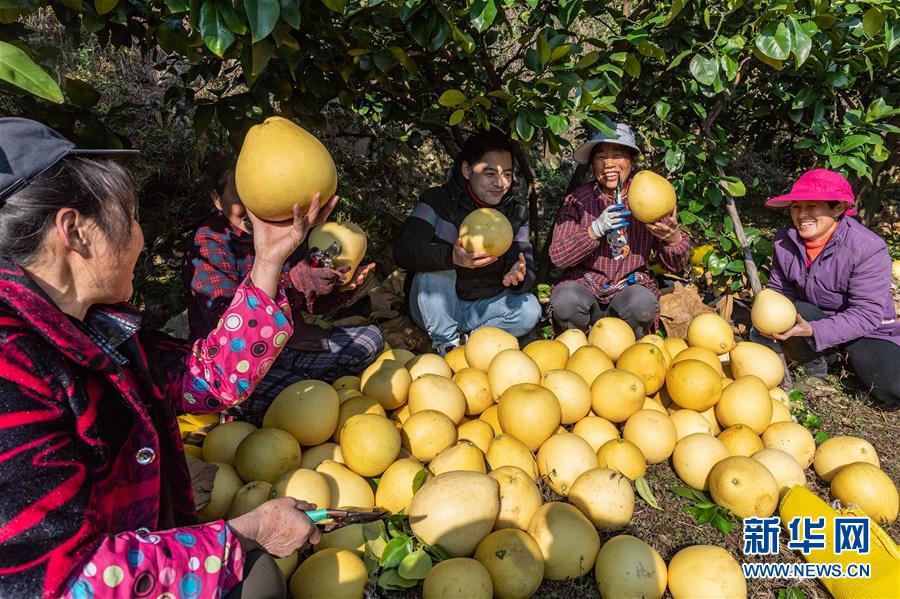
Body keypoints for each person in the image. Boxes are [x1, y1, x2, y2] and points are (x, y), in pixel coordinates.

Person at [0, 117, 323, 599]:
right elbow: (66, 581)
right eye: (129, 218)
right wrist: (245, 533)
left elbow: (209, 378)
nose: (142, 237)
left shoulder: (93, 325)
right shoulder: (12, 370)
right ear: (75, 231)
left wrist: (268, 262)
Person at [183, 157, 383, 424]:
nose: (252, 208)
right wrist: (295, 280)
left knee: (370, 339)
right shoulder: (210, 241)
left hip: (294, 347)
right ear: (217, 200)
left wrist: (340, 288)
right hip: (240, 367)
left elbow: (312, 303)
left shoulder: (284, 227)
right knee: (300, 398)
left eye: (256, 196)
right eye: (240, 196)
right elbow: (226, 319)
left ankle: (290, 398)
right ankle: (253, 405)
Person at [760, 169, 900, 406]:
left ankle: (845, 356)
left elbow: (866, 315)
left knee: (893, 387)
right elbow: (779, 292)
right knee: (793, 309)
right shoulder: (784, 241)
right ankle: (822, 359)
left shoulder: (867, 249)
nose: (801, 214)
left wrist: (814, 331)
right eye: (795, 207)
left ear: (837, 209)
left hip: (867, 330)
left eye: (812, 206)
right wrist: (766, 320)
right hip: (813, 317)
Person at [394, 130, 541, 354]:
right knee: (435, 270)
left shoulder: (515, 214)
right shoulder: (436, 202)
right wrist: (451, 258)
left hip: (483, 308)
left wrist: (518, 275)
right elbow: (404, 251)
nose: (500, 183)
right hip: (434, 307)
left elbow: (526, 265)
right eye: (490, 173)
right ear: (466, 170)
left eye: (508, 175)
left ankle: (469, 342)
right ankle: (448, 346)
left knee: (529, 309)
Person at [549, 123, 690, 337]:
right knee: (565, 303)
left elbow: (675, 265)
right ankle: (576, 345)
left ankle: (629, 348)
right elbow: (558, 257)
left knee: (642, 306)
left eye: (617, 155)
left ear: (631, 161)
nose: (609, 164)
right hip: (585, 284)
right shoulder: (578, 200)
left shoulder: (651, 196)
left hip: (628, 287)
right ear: (592, 164)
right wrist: (593, 230)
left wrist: (673, 239)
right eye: (601, 157)